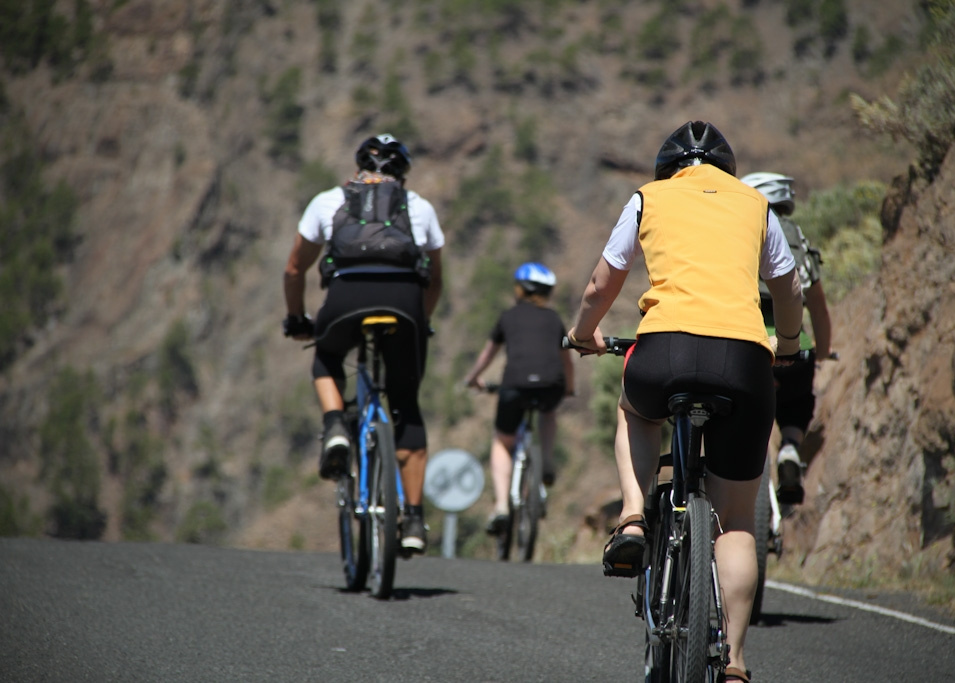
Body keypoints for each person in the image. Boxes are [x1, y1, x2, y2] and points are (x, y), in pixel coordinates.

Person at [566, 121, 803, 683]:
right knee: (737, 522)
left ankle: (631, 519)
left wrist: (583, 334)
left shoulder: (648, 198)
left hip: (664, 351)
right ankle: (736, 663)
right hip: (745, 361)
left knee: (635, 409)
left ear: (667, 168)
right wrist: (789, 347)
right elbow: (788, 287)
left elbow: (602, 283)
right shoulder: (754, 204)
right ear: (726, 168)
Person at [282, 133, 444, 555]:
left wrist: (297, 318)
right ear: (402, 174)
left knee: (327, 356)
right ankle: (412, 520)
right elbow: (435, 279)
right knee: (405, 403)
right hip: (404, 304)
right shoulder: (419, 206)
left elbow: (295, 268)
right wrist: (421, 321)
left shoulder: (327, 201)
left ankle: (336, 424)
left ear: (358, 167)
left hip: (345, 300)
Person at [740, 172, 833, 505]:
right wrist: (822, 352)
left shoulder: (739, 231)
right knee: (796, 403)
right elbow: (818, 307)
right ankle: (790, 449)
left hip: (747, 342)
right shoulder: (796, 238)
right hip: (794, 346)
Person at [463, 262, 575, 534]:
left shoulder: (508, 317)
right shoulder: (553, 319)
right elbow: (566, 360)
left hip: (515, 385)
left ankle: (502, 505)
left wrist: (473, 378)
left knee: (503, 440)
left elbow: (488, 355)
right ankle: (545, 460)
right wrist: (569, 388)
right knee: (548, 412)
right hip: (551, 385)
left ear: (520, 289)